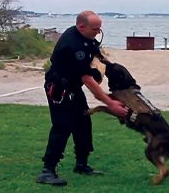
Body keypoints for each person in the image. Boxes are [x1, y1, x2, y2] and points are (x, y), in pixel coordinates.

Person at [36, 10, 128, 186]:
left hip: (73, 87)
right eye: (95, 29)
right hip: (59, 88)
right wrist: (110, 103)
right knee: (62, 126)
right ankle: (47, 171)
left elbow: (98, 56)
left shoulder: (87, 37)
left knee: (83, 122)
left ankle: (81, 164)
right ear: (81, 26)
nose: (98, 32)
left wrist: (112, 70)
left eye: (100, 28)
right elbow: (87, 80)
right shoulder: (73, 44)